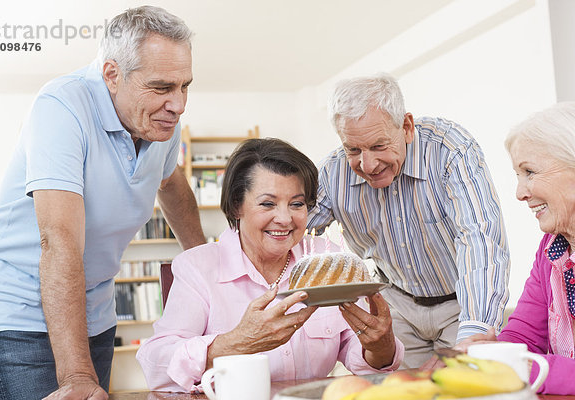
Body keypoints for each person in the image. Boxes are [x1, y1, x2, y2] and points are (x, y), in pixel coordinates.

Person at [0, 6, 205, 400]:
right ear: (112, 74)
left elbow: (172, 184)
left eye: (185, 86)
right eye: (163, 87)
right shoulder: (62, 106)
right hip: (19, 304)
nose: (179, 104)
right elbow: (59, 239)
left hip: (94, 305)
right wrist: (77, 373)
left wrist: (206, 267)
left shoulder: (159, 118)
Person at [136, 138, 404, 392]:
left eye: (297, 204)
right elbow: (155, 364)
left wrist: (381, 346)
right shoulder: (198, 267)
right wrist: (236, 342)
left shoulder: (328, 263)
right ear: (236, 207)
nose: (285, 218)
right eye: (268, 203)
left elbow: (362, 358)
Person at [306, 73, 510, 368]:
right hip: (396, 301)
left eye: (378, 146)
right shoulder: (332, 172)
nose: (368, 165)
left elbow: (479, 238)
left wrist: (474, 333)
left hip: (461, 303)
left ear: (406, 127)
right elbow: (292, 226)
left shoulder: (449, 150)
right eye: (353, 149)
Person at [454, 102, 575, 395]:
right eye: (518, 176)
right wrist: (493, 353)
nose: (520, 193)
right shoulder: (552, 248)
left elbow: (523, 361)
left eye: (529, 172)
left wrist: (517, 366)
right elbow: (523, 335)